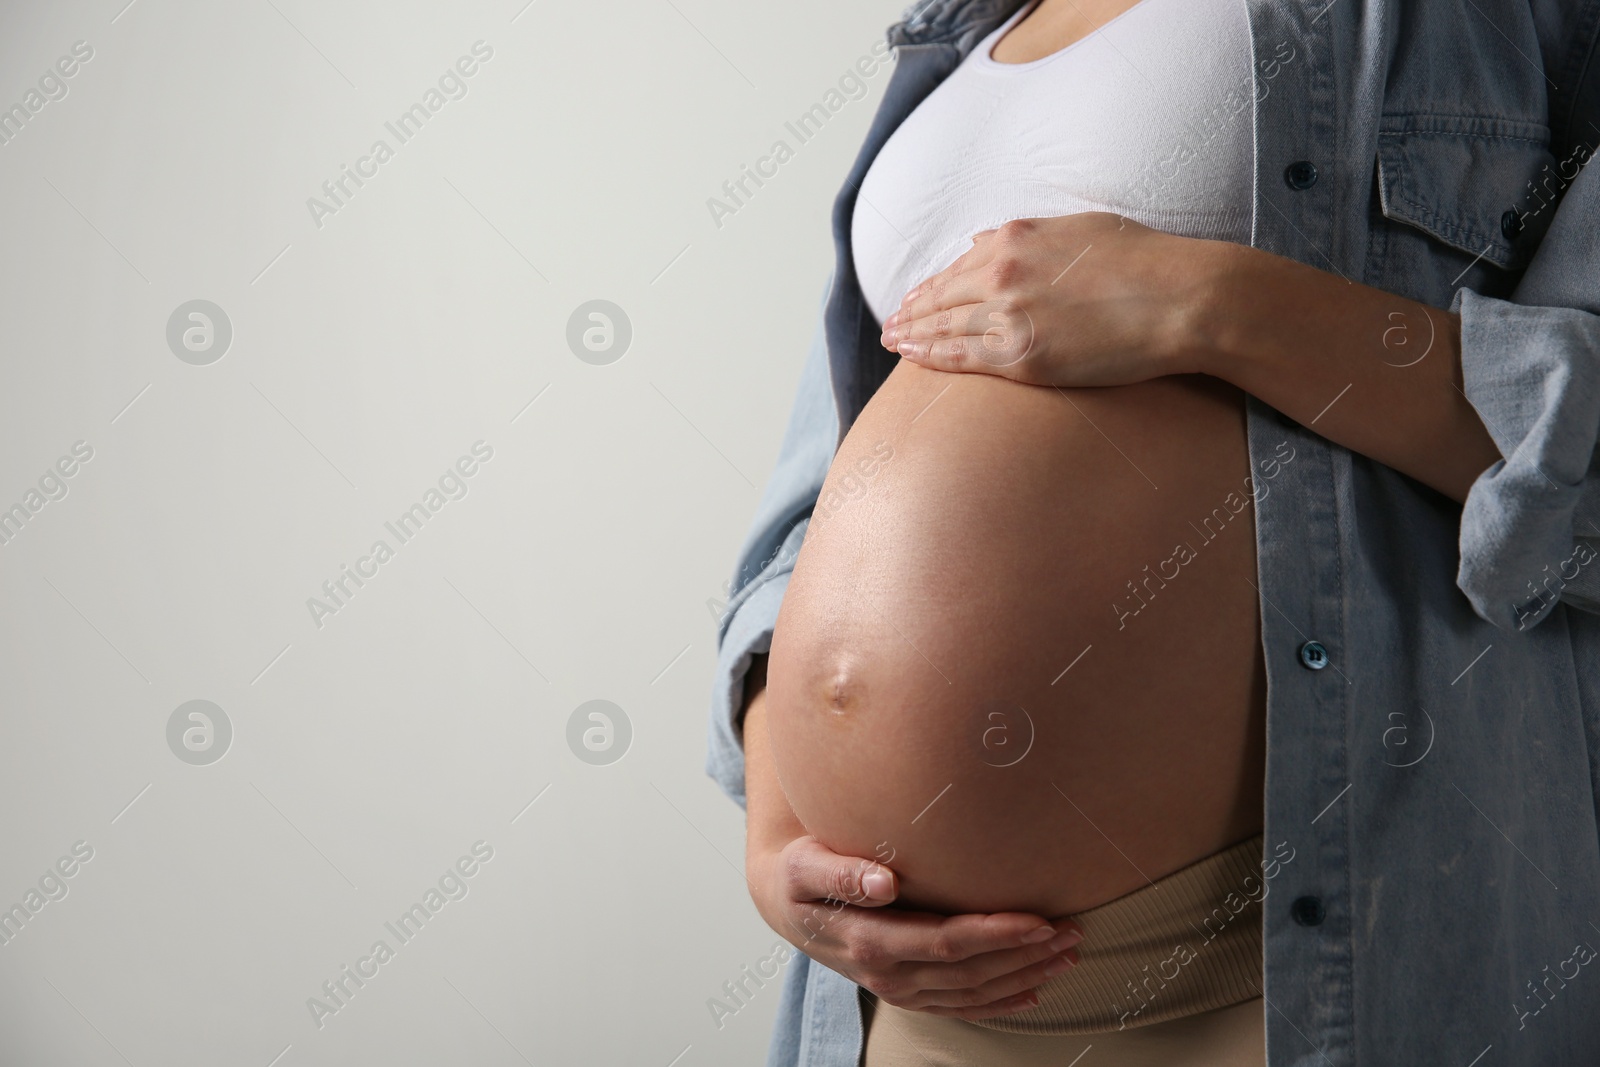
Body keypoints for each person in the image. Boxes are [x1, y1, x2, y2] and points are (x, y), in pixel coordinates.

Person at [707, 1, 1600, 1065]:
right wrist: (777, 831)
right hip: (899, 997)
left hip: (1295, 967)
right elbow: (801, 519)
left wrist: (1212, 303)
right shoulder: (948, 41)